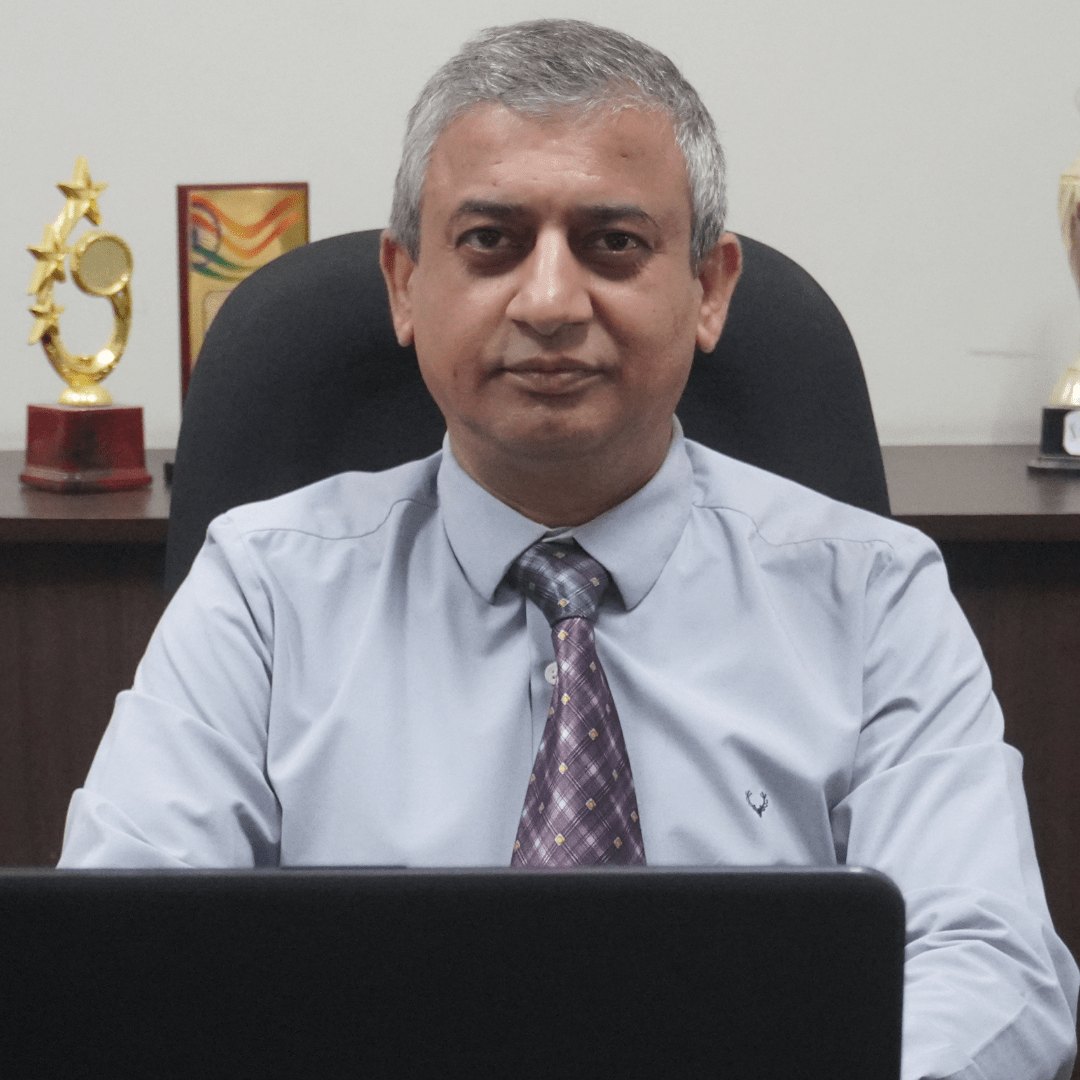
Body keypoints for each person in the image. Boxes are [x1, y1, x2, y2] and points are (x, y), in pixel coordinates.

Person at [59, 18, 1077, 1079]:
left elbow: (987, 960)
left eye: (614, 244)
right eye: (490, 241)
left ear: (710, 288)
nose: (549, 303)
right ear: (404, 283)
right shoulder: (262, 591)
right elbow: (119, 953)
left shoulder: (874, 596)